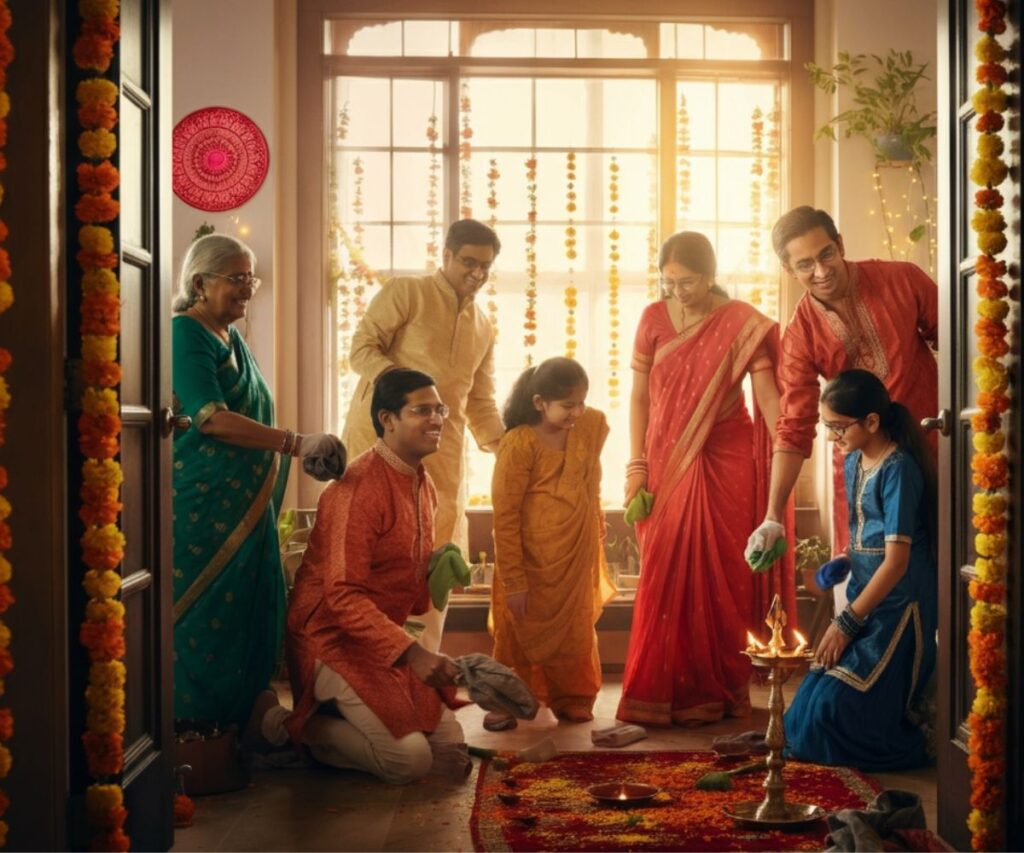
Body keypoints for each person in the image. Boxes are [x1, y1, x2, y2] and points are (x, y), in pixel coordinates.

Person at [616, 231, 794, 727]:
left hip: (726, 459)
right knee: (665, 567)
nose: (677, 291)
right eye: (668, 281)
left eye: (688, 281)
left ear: (710, 275)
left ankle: (716, 691)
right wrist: (636, 464)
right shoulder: (652, 318)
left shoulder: (739, 322)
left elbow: (766, 393)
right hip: (665, 457)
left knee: (724, 575)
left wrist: (790, 436)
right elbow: (638, 397)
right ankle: (658, 692)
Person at [172, 234, 345, 735]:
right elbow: (210, 419)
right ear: (200, 282)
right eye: (237, 278)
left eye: (252, 279)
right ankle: (197, 734)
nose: (247, 289)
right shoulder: (186, 334)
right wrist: (295, 443)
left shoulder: (234, 339)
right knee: (204, 621)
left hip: (246, 509)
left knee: (246, 613)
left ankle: (244, 726)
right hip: (202, 512)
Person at [277, 369, 466, 784]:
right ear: (388, 418)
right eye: (422, 410)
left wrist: (433, 569)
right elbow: (342, 596)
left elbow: (400, 581)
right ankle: (299, 728)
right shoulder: (360, 488)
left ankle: (348, 712)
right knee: (410, 762)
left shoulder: (422, 482)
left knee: (449, 747)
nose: (436, 420)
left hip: (378, 640)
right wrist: (414, 654)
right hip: (329, 637)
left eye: (440, 410)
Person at [342, 219, 505, 649]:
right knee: (377, 553)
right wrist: (404, 392)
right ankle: (366, 671)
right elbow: (360, 347)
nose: (477, 273)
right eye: (468, 262)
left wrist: (509, 449)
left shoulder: (484, 326)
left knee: (435, 559)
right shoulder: (407, 293)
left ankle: (419, 674)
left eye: (485, 266)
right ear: (446, 255)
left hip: (441, 455)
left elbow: (480, 402)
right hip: (381, 444)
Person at [746, 206, 938, 567]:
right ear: (788, 270)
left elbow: (961, 341)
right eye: (805, 265)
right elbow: (794, 426)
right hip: (863, 477)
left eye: (826, 254)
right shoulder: (800, 335)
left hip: (930, 454)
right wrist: (773, 515)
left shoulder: (903, 280)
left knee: (938, 575)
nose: (820, 271)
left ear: (840, 244)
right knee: (869, 583)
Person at [784, 370, 937, 770]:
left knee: (825, 719)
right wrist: (843, 562)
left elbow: (897, 561)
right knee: (799, 715)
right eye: (827, 427)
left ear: (871, 422)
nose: (832, 437)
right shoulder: (854, 461)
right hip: (864, 598)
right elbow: (862, 539)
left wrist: (847, 623)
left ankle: (923, 741)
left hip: (899, 605)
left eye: (838, 427)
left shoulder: (898, 469)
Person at [487, 358, 615, 731]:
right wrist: (514, 579)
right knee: (518, 629)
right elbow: (505, 515)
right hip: (529, 558)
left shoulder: (590, 426)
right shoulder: (518, 443)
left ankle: (572, 697)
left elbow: (592, 478)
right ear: (539, 402)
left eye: (582, 402)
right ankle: (507, 700)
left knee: (576, 627)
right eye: (567, 405)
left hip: (575, 552)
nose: (577, 412)